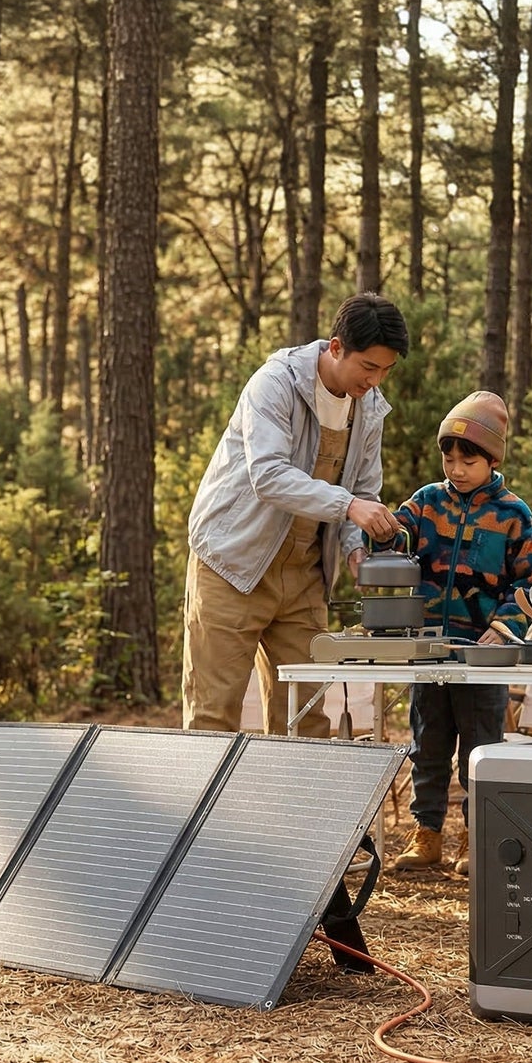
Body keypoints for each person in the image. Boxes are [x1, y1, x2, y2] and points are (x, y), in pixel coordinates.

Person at [182, 293, 409, 737]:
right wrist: (349, 506)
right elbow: (268, 476)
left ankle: (289, 789)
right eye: (369, 367)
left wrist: (355, 549)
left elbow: (363, 490)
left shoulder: (369, 408)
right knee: (213, 717)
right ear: (336, 347)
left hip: (305, 575)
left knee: (306, 721)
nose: (376, 380)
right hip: (232, 565)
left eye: (386, 370)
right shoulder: (274, 384)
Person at [391, 390, 532, 877]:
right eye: (449, 459)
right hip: (430, 652)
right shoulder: (426, 503)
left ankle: (477, 835)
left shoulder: (514, 515)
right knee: (428, 745)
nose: (456, 469)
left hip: (483, 658)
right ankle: (427, 834)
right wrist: (378, 530)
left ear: (493, 459)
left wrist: (504, 627)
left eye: (469, 460)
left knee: (480, 751)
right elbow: (395, 536)